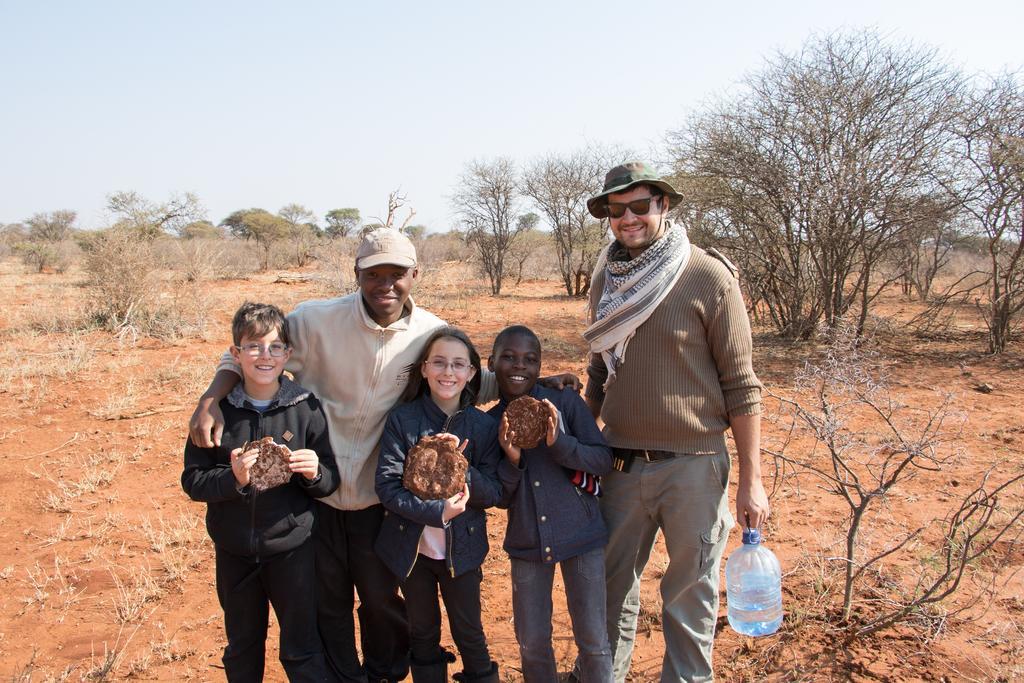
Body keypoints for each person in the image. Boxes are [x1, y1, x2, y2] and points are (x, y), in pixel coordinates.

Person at [189, 228, 579, 682]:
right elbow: (251, 349)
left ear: (415, 274)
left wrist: (541, 383)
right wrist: (210, 399)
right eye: (374, 273)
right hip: (319, 493)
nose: (385, 284)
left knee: (380, 598)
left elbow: (474, 380)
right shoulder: (316, 321)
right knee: (329, 601)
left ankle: (386, 673)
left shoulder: (430, 332)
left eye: (397, 274)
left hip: (382, 496)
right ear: (357, 273)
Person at [582, 162, 770, 682]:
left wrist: (751, 483)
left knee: (689, 598)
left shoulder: (707, 275)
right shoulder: (606, 279)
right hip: (619, 464)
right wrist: (577, 439)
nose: (629, 219)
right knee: (609, 593)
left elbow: (741, 383)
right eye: (617, 210)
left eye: (640, 206)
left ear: (662, 206)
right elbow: (599, 371)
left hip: (694, 467)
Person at [182, 302, 339, 682]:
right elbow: (193, 481)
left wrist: (314, 473)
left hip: (292, 551)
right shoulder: (219, 413)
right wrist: (232, 478)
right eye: (253, 346)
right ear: (235, 354)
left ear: (288, 354)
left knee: (301, 648)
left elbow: (330, 478)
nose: (264, 356)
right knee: (242, 647)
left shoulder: (306, 408)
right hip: (234, 551)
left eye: (274, 347)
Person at [375, 327, 502, 683]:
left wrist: (463, 470)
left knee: (469, 632)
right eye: (440, 363)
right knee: (423, 631)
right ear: (424, 369)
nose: (449, 372)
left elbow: (494, 492)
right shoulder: (403, 420)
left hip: (463, 553)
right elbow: (386, 486)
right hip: (412, 552)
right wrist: (437, 513)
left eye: (459, 365)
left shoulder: (481, 426)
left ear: (472, 373)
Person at [487, 325, 613, 682]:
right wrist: (511, 460)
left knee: (593, 639)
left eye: (530, 360)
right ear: (491, 363)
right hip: (527, 543)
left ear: (540, 366)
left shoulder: (565, 403)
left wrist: (560, 444)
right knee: (531, 641)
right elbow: (500, 497)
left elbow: (602, 460)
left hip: (582, 536)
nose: (519, 367)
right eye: (508, 357)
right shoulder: (491, 424)